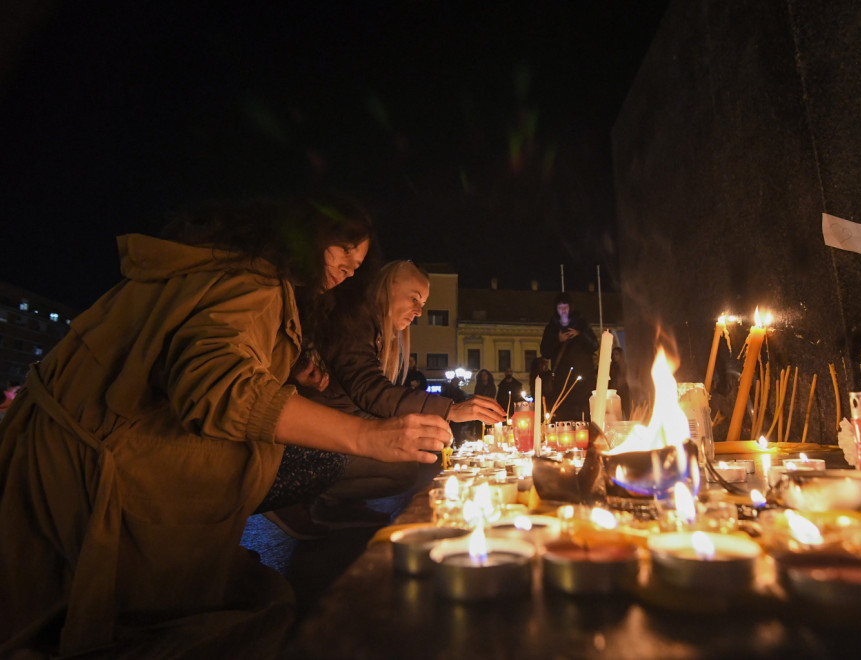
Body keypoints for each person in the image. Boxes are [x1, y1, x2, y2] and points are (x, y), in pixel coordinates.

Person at [0, 196, 453, 658]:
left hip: (71, 461)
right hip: (89, 480)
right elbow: (215, 383)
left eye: (358, 264)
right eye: (344, 252)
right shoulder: (253, 281)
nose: (351, 270)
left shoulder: (242, 274)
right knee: (256, 620)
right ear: (309, 235)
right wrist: (367, 437)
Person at [269, 260, 505, 536]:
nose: (419, 312)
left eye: (424, 303)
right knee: (403, 466)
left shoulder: (375, 330)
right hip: (307, 437)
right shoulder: (354, 318)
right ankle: (297, 496)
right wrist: (450, 410)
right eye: (414, 298)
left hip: (329, 427)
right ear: (388, 286)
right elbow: (369, 389)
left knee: (406, 462)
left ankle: (336, 502)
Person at [540, 292, 599, 421]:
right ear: (556, 309)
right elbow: (545, 352)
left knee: (584, 414)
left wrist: (579, 334)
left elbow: (594, 345)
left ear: (570, 308)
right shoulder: (552, 327)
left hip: (583, 378)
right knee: (565, 414)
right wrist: (558, 340)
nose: (563, 311)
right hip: (563, 379)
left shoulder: (581, 324)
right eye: (560, 308)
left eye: (565, 308)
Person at [608, 345, 632, 420]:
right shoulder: (612, 367)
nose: (614, 356)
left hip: (624, 391)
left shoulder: (624, 366)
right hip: (614, 392)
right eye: (613, 354)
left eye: (617, 354)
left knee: (626, 410)